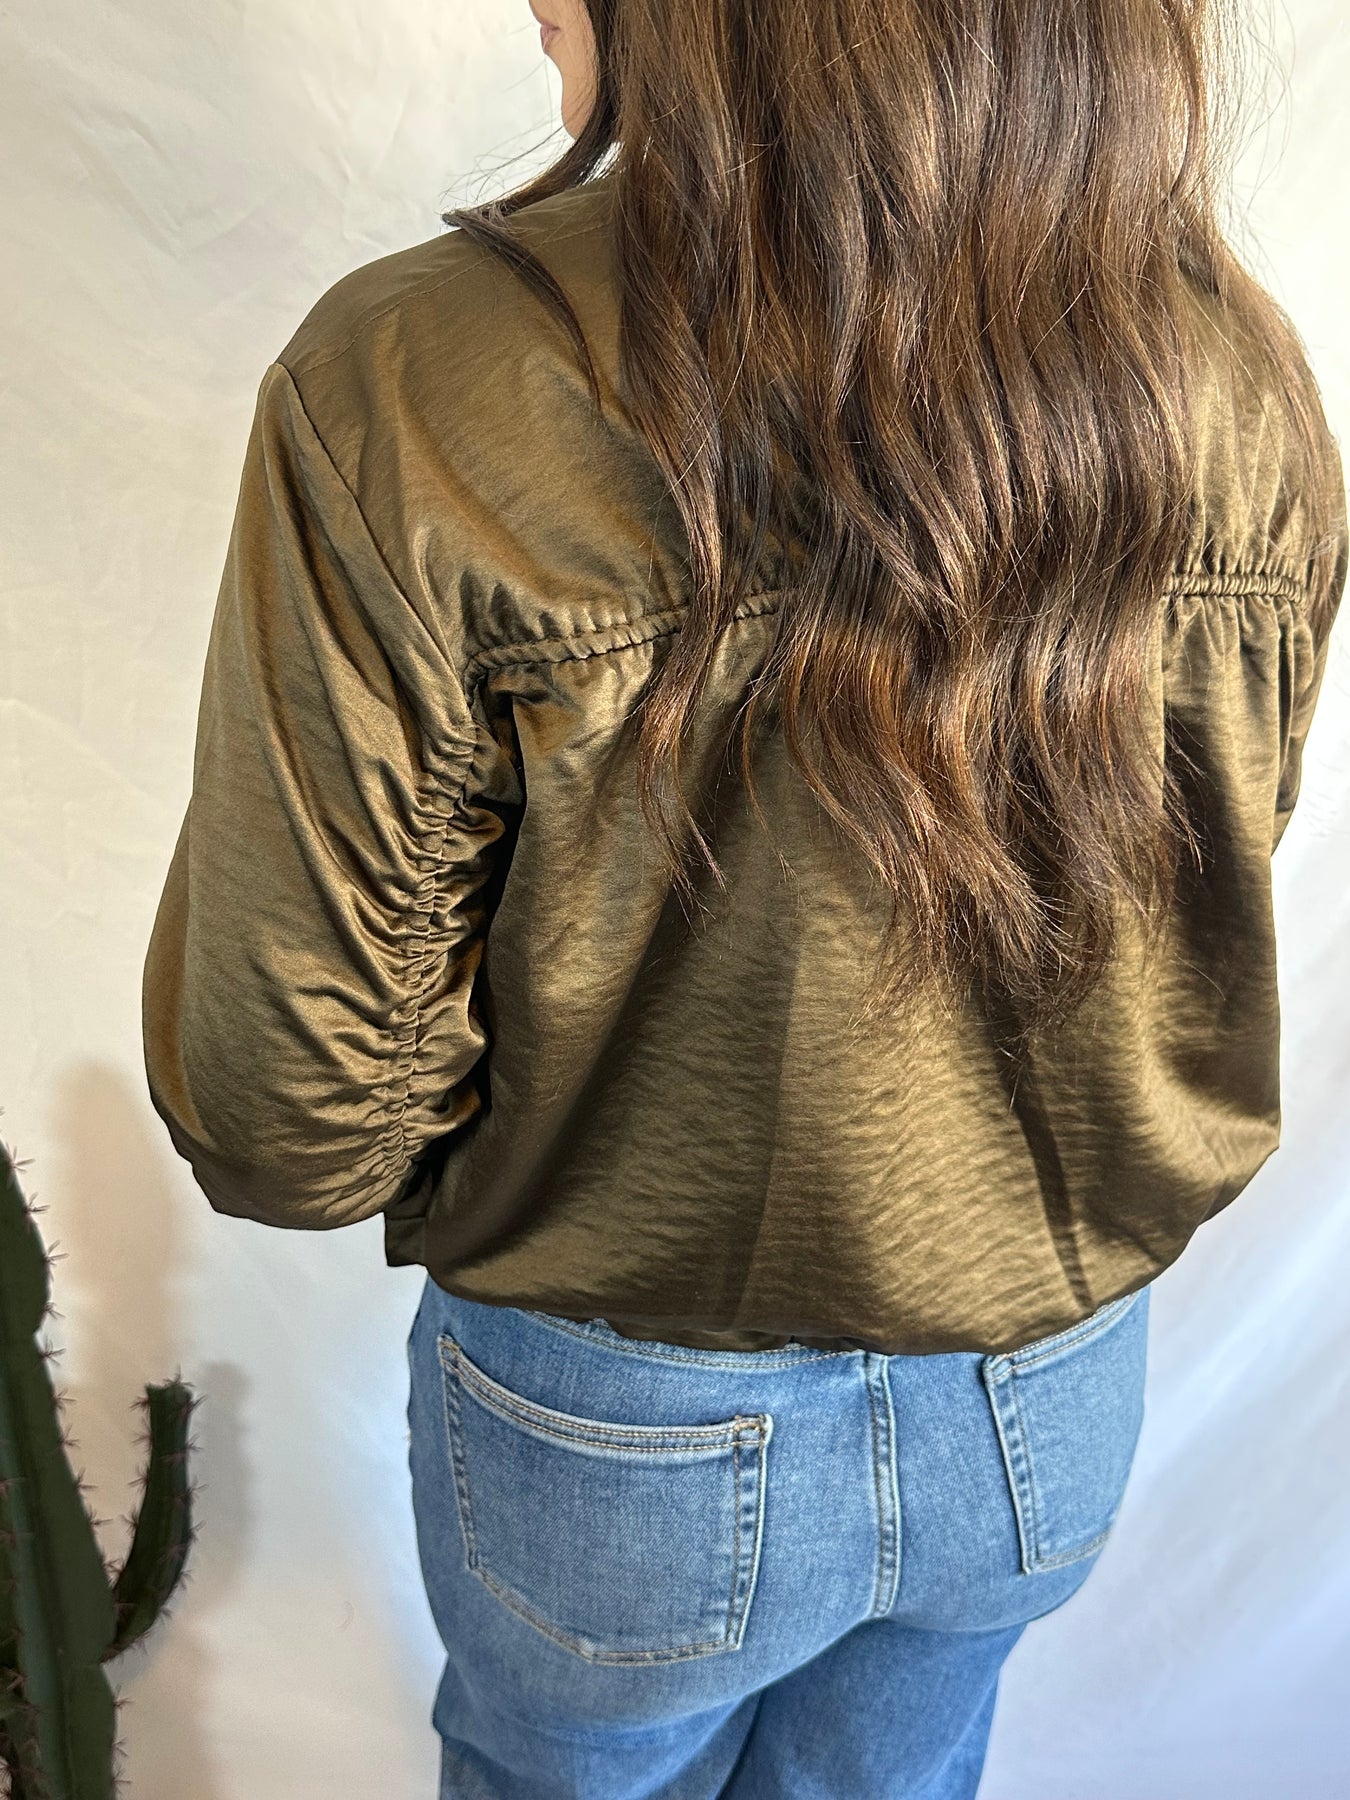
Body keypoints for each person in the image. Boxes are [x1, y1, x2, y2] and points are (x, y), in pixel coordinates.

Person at [140, 0, 1348, 1794]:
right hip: (1048, 1398)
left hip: (622, 1425)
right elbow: (1200, 898)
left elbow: (288, 1114)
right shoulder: (1225, 360)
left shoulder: (421, 378)